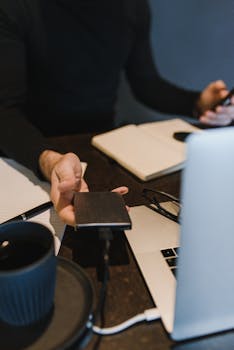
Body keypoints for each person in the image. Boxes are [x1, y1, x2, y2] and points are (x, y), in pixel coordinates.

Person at [0, 0, 233, 226]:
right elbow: (5, 111)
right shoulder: (16, 7)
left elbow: (146, 84)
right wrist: (48, 160)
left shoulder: (131, 6)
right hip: (30, 150)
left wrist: (197, 103)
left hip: (101, 144)